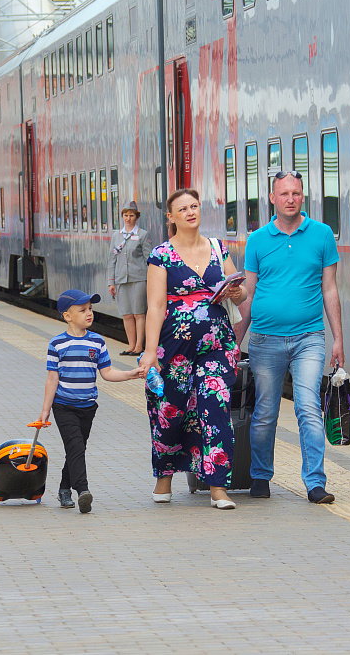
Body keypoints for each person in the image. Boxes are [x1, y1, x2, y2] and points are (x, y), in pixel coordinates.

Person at [234, 172, 344, 505]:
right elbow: (248, 293)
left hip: (309, 338)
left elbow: (330, 289)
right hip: (265, 340)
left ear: (303, 197)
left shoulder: (323, 235)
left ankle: (315, 483)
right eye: (284, 194)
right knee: (266, 411)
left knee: (308, 407)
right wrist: (233, 339)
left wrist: (338, 339)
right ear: (272, 198)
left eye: (296, 193)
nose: (291, 199)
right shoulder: (257, 240)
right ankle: (260, 476)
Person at [138, 189, 247, 510]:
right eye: (182, 209)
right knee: (171, 412)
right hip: (174, 348)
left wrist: (236, 291)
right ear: (170, 217)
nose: (190, 212)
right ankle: (165, 477)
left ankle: (217, 488)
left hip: (218, 345)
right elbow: (156, 306)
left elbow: (238, 295)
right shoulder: (161, 255)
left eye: (194, 206)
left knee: (216, 411)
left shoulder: (217, 248)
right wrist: (149, 351)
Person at [38, 290, 145, 513]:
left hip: (88, 406)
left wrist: (130, 374)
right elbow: (52, 378)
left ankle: (64, 488)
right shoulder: (57, 344)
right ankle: (83, 491)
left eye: (90, 309)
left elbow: (106, 372)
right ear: (67, 316)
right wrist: (45, 410)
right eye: (83, 310)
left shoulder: (97, 342)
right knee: (76, 446)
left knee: (76, 448)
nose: (89, 313)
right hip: (63, 405)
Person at [106, 201, 152, 355]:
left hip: (138, 278)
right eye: (126, 215)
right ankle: (131, 345)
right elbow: (112, 259)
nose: (128, 218)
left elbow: (148, 259)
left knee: (139, 313)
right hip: (121, 279)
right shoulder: (116, 236)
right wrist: (111, 282)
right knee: (126, 314)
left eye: (131, 215)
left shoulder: (142, 235)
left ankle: (139, 346)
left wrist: (151, 279)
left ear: (136, 217)